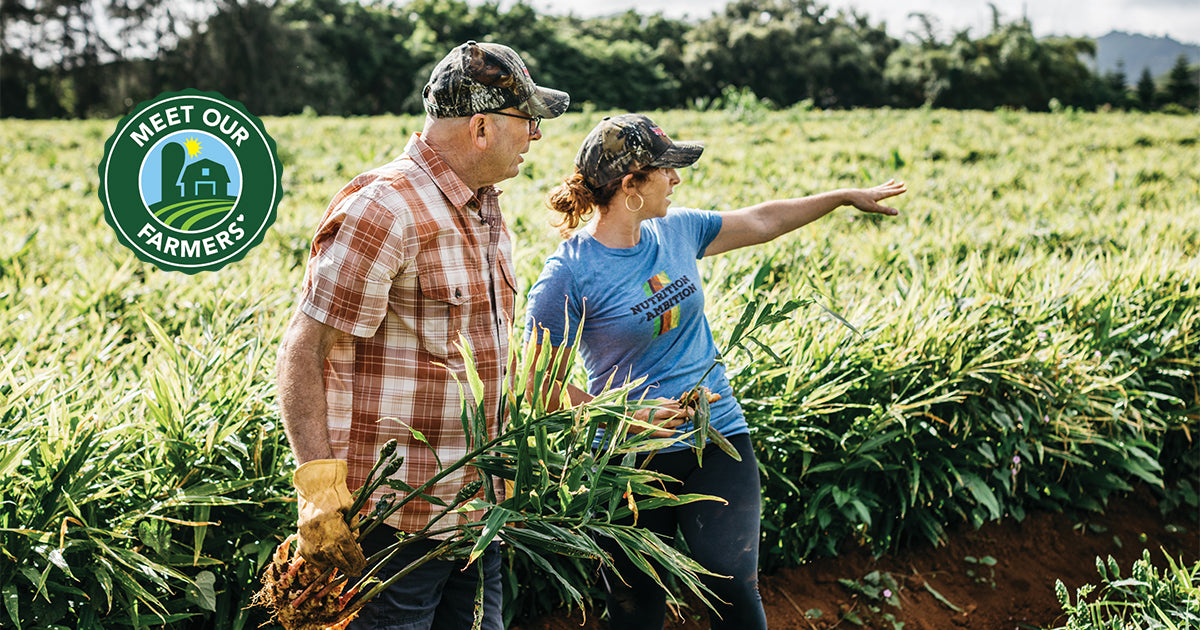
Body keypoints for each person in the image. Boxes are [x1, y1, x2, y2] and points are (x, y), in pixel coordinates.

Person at [523, 113, 906, 629]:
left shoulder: (677, 230)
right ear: (630, 184)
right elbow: (536, 384)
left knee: (731, 585)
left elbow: (763, 220)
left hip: (716, 436)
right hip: (627, 462)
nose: (677, 179)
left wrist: (839, 196)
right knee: (636, 606)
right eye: (666, 170)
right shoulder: (568, 274)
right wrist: (620, 416)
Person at [275, 40, 568, 630]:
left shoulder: (485, 208)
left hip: (478, 513)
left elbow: (490, 355)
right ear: (481, 127)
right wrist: (319, 489)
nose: (535, 136)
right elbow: (303, 350)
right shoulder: (387, 207)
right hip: (395, 523)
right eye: (527, 120)